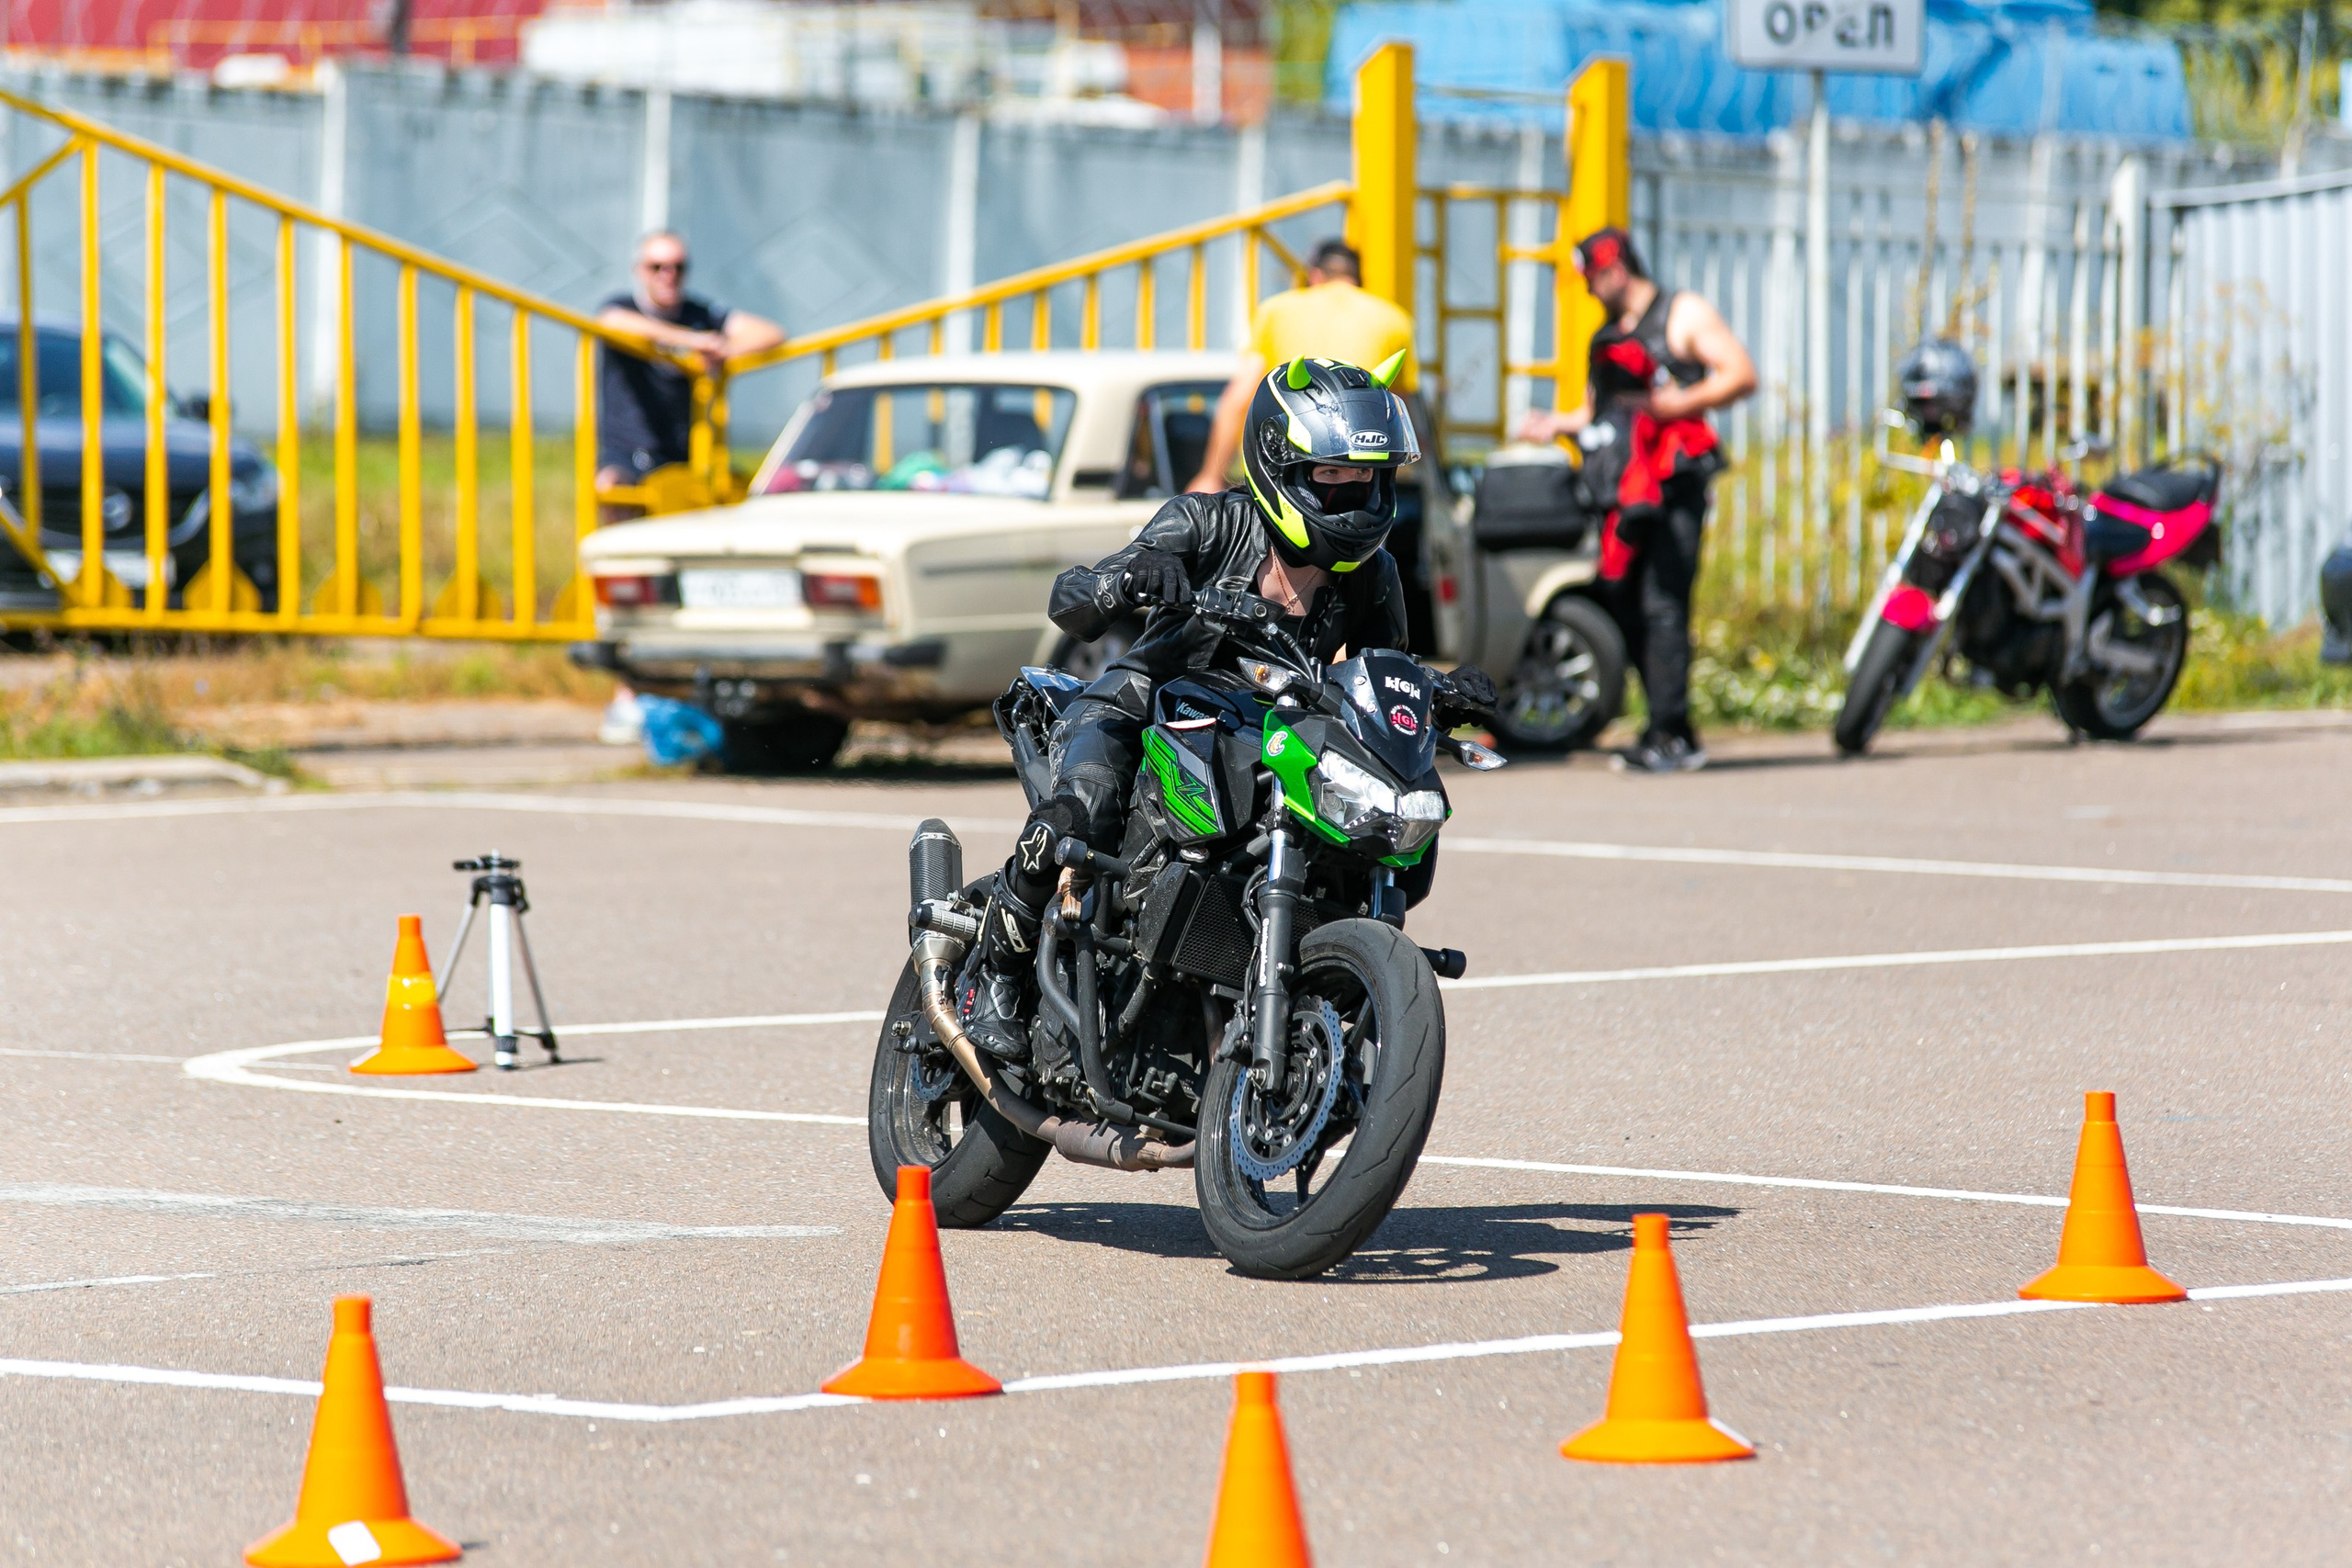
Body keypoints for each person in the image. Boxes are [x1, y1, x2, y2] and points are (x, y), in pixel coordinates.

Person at [957, 355, 1495, 1060]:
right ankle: (992, 972)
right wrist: (1128, 579)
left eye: (1363, 478)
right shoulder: (1206, 523)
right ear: (1281, 468)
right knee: (1078, 814)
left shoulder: (1373, 575)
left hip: (1261, 732)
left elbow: (1373, 671)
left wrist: (1434, 691)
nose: (1351, 498)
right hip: (1143, 706)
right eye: (1330, 478)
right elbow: (1072, 599)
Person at [1517, 226, 1755, 775]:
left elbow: (1740, 374)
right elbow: (1595, 410)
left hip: (1673, 483)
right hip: (1620, 491)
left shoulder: (1681, 313)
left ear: (1616, 268)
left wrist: (1677, 404)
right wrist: (1551, 425)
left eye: (1593, 279)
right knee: (1620, 598)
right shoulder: (1607, 336)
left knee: (1663, 604)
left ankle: (1671, 734)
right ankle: (1664, 724)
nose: (1590, 291)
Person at [1187, 240, 1437, 650]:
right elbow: (1398, 409)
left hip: (1298, 474)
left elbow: (1238, 399)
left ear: (1314, 275)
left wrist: (1210, 473)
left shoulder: (1278, 310)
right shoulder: (1393, 319)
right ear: (1358, 279)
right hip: (1361, 478)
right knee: (1357, 595)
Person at [594, 231, 784, 503]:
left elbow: (770, 333)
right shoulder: (623, 307)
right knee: (611, 488)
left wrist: (724, 351)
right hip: (628, 448)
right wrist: (692, 341)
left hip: (689, 450)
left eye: (678, 267)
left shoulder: (700, 314)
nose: (668, 275)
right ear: (639, 270)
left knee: (743, 494)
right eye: (657, 267)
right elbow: (610, 322)